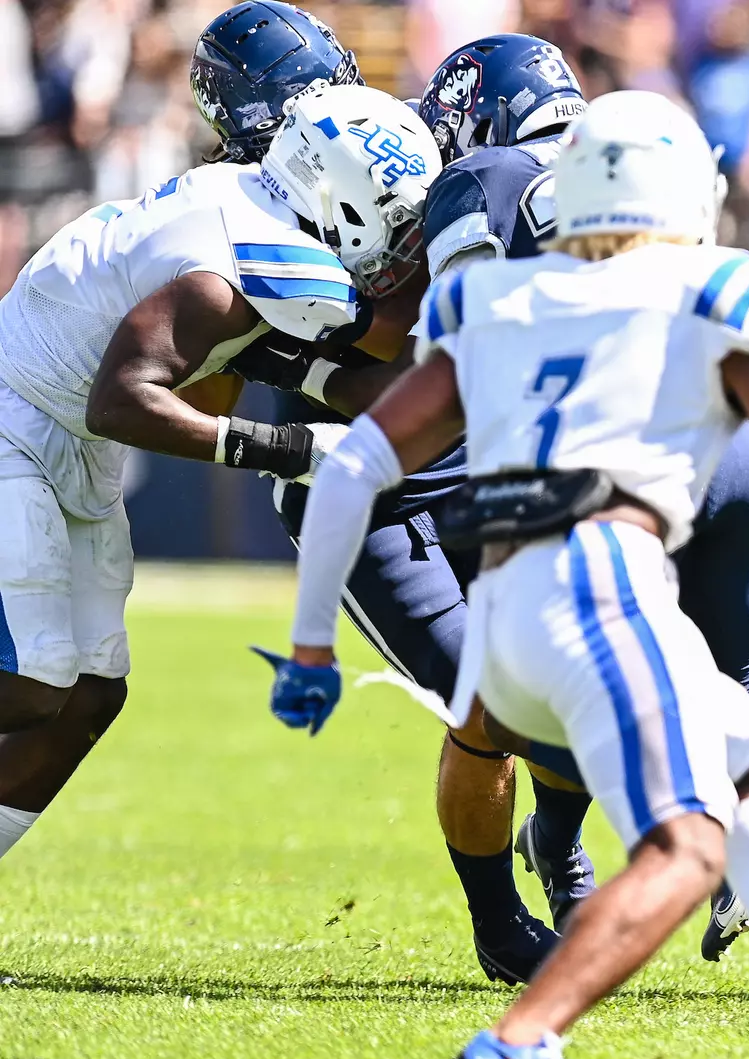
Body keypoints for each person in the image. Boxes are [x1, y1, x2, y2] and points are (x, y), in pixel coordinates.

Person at [262, 89, 749, 1059]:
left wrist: (309, 649)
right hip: (601, 587)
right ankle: (522, 1035)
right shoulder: (711, 290)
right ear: (689, 194)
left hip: (501, 626)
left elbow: (347, 472)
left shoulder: (493, 300)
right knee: (689, 843)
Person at [415, 34, 749, 993]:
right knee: (740, 694)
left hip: (591, 471)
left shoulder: (477, 180)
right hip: (719, 451)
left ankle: (557, 867)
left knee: (557, 684)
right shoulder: (639, 147)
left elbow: (464, 332)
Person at [192, 4, 580, 986]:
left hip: (473, 463)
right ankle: (502, 921)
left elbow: (422, 318)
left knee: (553, 679)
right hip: (368, 497)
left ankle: (562, 856)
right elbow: (217, 381)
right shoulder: (246, 205)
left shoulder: (409, 148)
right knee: (485, 705)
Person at [0, 83, 434, 864]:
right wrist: (292, 451)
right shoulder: (237, 257)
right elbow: (122, 402)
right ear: (335, 193)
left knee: (90, 695)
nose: (404, 245)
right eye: (396, 220)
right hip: (18, 422)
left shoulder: (261, 210)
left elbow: (338, 376)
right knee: (35, 680)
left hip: (66, 437)